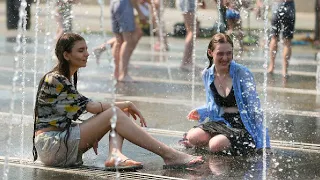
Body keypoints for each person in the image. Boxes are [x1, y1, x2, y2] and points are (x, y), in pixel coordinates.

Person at [32, 33, 204, 170]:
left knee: (116, 114)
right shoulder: (55, 79)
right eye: (81, 50)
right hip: (52, 146)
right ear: (66, 55)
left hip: (57, 143)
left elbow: (82, 110)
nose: (87, 53)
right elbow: (92, 107)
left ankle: (115, 155)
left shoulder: (64, 78)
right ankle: (170, 155)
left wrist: (95, 128)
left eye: (86, 49)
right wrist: (125, 104)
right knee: (115, 112)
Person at [179, 33, 270, 156]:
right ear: (210, 53)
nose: (225, 58)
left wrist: (264, 144)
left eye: (229, 53)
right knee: (193, 136)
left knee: (215, 145)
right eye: (220, 54)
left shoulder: (242, 73)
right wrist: (202, 111)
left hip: (241, 125)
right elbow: (214, 104)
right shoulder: (207, 74)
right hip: (220, 121)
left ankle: (226, 143)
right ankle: (215, 142)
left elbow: (255, 109)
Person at [256, 0, 295, 78]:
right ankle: (284, 70)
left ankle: (271, 66)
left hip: (277, 5)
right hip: (289, 6)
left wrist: (259, 2)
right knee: (287, 41)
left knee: (274, 38)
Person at [176, 0, 205, 72]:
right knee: (193, 31)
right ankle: (185, 62)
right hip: (187, 2)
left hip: (187, 2)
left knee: (193, 30)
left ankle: (189, 61)